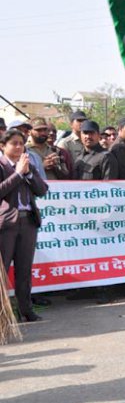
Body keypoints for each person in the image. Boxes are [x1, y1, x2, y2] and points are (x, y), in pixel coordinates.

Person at [0, 129, 49, 322]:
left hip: (28, 221)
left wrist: (27, 174)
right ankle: (4, 314)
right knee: (2, 270)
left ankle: (26, 309)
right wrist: (18, 174)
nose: (19, 147)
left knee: (24, 269)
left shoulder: (26, 164)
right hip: (6, 224)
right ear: (3, 146)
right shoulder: (3, 165)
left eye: (21, 143)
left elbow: (42, 189)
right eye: (14, 143)